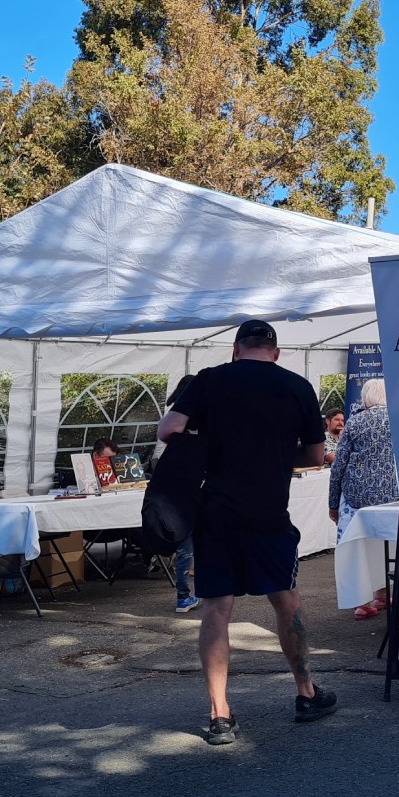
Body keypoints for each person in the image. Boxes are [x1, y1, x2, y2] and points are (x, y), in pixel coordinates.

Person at [158, 319, 334, 745]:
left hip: (215, 511)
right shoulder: (297, 386)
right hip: (269, 513)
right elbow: (314, 454)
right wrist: (272, 454)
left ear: (236, 349)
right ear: (275, 352)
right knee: (286, 601)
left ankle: (220, 715)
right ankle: (306, 694)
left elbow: (168, 430)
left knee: (216, 610)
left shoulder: (209, 380)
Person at [327, 378, 397, 620]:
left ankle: (362, 602)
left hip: (357, 497)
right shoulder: (398, 420)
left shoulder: (355, 422)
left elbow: (339, 466)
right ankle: (383, 592)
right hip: (392, 495)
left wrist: (333, 504)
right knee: (387, 544)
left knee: (358, 545)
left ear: (366, 398)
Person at [154, 375, 200, 614]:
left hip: (172, 486)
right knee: (196, 541)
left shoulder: (172, 418)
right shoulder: (195, 420)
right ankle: (194, 592)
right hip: (193, 485)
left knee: (185, 543)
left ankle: (183, 595)